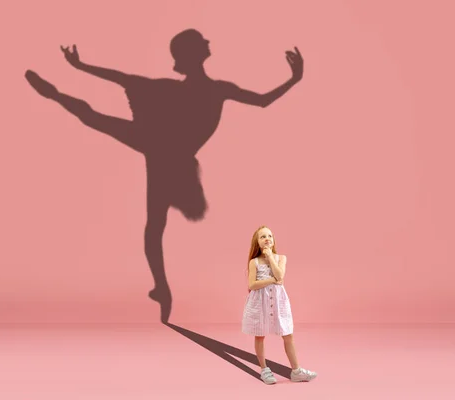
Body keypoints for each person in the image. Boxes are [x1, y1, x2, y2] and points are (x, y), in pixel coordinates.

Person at [25, 29, 304, 323]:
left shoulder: (204, 89)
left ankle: (161, 286)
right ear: (195, 52)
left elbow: (122, 78)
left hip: (160, 148)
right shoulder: (214, 89)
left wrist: (80, 67)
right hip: (161, 146)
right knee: (97, 120)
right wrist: (293, 79)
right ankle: (161, 286)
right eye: (203, 41)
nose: (209, 42)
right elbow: (262, 100)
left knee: (95, 120)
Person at [242, 225, 317, 384]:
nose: (267, 238)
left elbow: (280, 275)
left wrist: (270, 257)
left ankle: (296, 370)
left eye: (270, 235)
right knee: (260, 334)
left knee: (288, 333)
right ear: (257, 242)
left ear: (274, 240)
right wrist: (272, 281)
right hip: (259, 301)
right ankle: (264, 369)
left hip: (278, 301)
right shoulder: (254, 262)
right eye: (262, 236)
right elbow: (252, 285)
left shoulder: (281, 258)